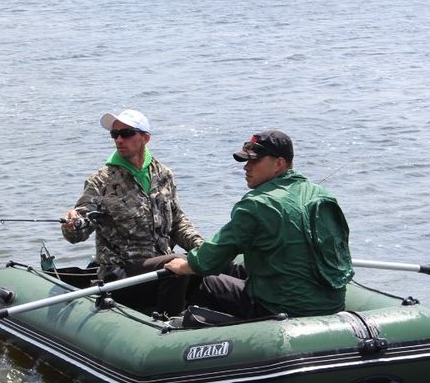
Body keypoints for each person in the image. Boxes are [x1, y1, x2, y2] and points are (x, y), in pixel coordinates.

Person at [165, 130, 354, 318]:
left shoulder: (257, 203)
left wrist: (183, 267)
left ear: (279, 163)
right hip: (333, 305)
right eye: (246, 161)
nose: (246, 167)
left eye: (254, 160)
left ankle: (175, 331)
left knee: (205, 282)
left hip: (282, 308)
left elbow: (208, 260)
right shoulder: (323, 194)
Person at [62, 109, 203, 316]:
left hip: (160, 267)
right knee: (175, 264)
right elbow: (78, 231)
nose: (119, 139)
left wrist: (204, 249)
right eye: (114, 134)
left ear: (145, 138)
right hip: (121, 276)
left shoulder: (163, 174)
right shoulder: (101, 181)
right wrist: (73, 223)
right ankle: (169, 324)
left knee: (200, 261)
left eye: (126, 133)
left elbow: (177, 221)